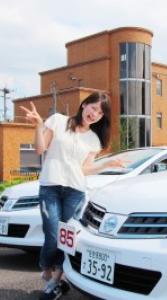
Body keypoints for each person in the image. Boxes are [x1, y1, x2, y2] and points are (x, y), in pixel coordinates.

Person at [21, 92, 125, 300]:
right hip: (50, 186)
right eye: (93, 108)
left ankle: (54, 281)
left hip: (75, 191)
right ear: (84, 105)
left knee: (65, 239)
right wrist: (39, 125)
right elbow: (40, 149)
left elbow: (85, 169)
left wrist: (107, 163)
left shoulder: (94, 139)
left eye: (100, 113)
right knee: (52, 234)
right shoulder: (59, 121)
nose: (95, 114)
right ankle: (46, 268)